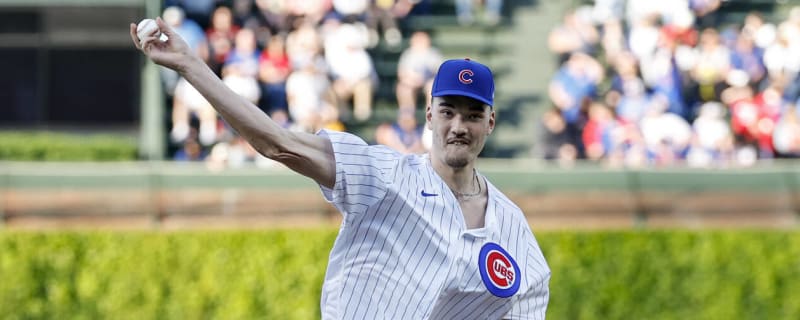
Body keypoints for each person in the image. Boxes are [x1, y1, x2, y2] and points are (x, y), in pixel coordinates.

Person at [131, 18, 550, 319]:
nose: (459, 126)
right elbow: (279, 144)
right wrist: (190, 65)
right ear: (429, 113)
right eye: (449, 111)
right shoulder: (385, 175)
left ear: (490, 122)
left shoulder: (512, 228)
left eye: (473, 115)